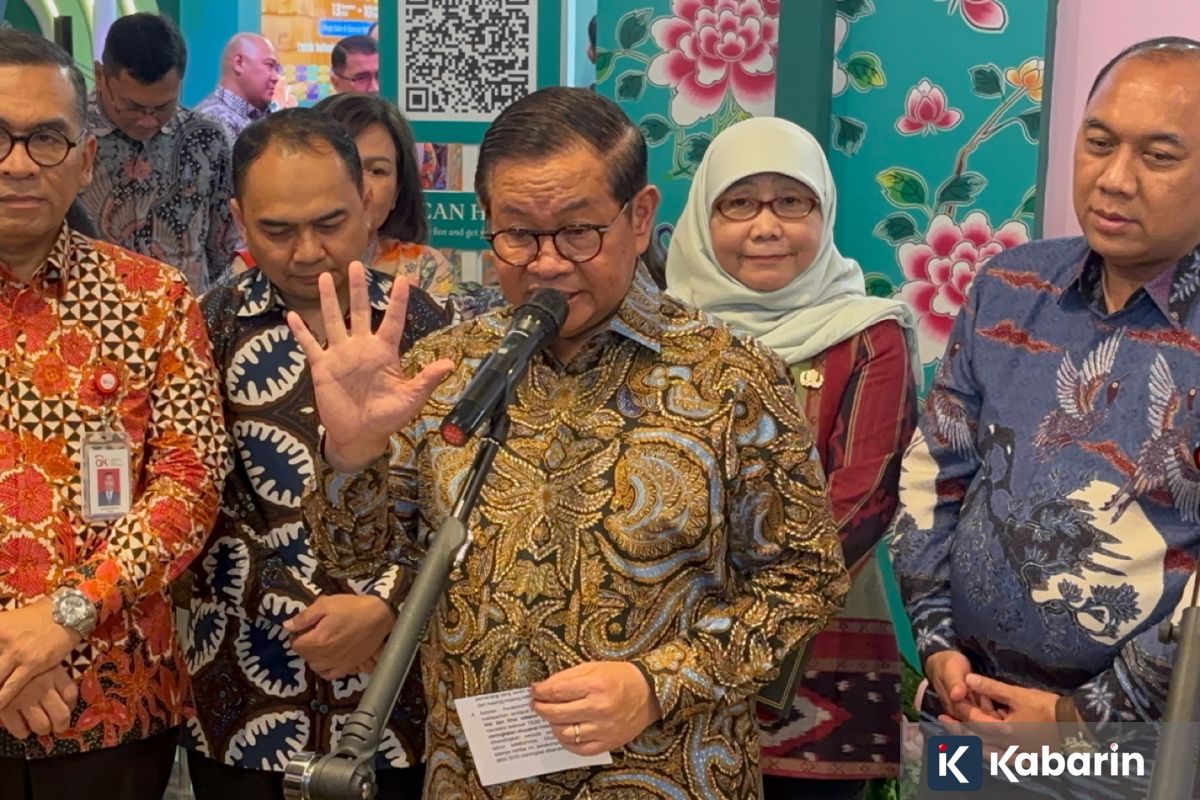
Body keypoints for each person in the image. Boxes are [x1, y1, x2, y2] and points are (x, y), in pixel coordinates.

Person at [293, 86, 850, 798]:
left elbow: (805, 582)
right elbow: (359, 557)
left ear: (639, 217)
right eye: (518, 234)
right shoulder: (449, 368)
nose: (548, 263)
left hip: (665, 774)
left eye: (579, 232)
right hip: (476, 779)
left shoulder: (731, 378)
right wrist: (352, 455)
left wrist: (657, 683)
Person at [891, 35, 1200, 773]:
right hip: (966, 711)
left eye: (1159, 156)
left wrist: (1075, 719)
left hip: (1138, 751)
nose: (1114, 179)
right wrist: (938, 644)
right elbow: (935, 470)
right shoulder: (1009, 285)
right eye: (1099, 143)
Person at [181, 108, 445, 799]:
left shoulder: (433, 328)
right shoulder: (202, 329)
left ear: (368, 202)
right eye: (277, 230)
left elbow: (460, 495)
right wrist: (300, 609)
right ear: (238, 218)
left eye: (330, 223)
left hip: (398, 697)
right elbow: (190, 496)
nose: (307, 252)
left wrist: (387, 603)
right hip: (244, 688)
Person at [0, 28, 228, 799]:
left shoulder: (153, 300)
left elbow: (189, 483)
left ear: (85, 158)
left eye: (46, 139)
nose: (18, 163)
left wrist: (62, 618)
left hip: (113, 699)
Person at [666, 117, 919, 800]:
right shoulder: (662, 332)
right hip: (666, 654)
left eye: (791, 202)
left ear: (824, 211)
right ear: (703, 217)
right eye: (739, 203)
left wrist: (745, 618)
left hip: (815, 661)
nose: (766, 226)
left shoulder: (867, 334)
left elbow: (863, 500)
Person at [80, 12, 239, 293]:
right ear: (101, 76)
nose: (148, 121)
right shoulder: (70, 136)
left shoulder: (206, 139)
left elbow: (221, 247)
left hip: (185, 307)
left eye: (163, 107)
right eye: (133, 107)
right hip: (93, 307)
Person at [311, 93, 454, 297]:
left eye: (376, 171)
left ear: (398, 190)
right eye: (343, 167)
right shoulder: (275, 261)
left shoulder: (425, 268)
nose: (361, 187)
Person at [194, 33, 281, 144]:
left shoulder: (263, 117)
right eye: (269, 65)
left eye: (277, 69)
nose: (276, 77)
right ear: (239, 63)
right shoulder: (212, 122)